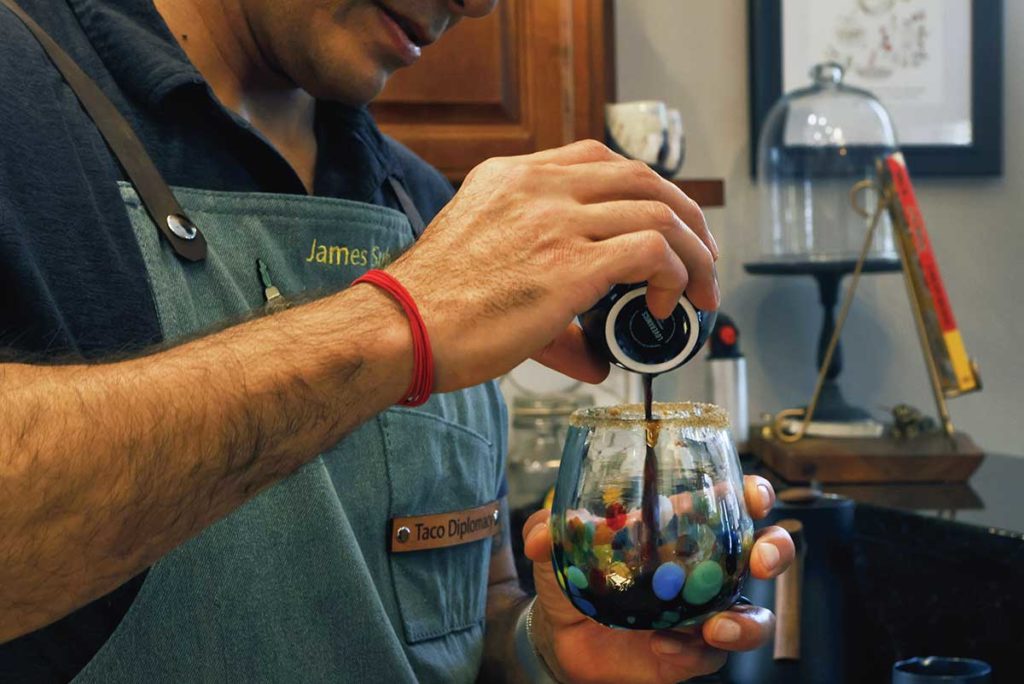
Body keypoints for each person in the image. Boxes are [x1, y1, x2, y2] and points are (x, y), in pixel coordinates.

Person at [0, 0, 795, 682]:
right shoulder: (20, 96)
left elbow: (461, 612)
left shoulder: (418, 204)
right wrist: (397, 322)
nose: (478, 4)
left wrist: (544, 651)